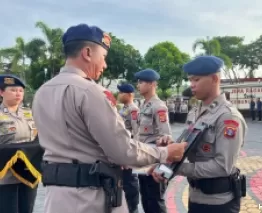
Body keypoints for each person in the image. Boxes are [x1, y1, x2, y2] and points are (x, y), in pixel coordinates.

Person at [32, 23, 187, 213]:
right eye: (103, 57)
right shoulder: (89, 91)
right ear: (87, 53)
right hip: (91, 199)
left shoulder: (42, 92)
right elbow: (121, 151)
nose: (104, 65)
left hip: (56, 198)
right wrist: (166, 153)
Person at [152, 56, 248, 213]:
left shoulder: (228, 117)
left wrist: (179, 169)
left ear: (214, 79)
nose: (192, 85)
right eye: (190, 80)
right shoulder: (195, 112)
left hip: (219, 203)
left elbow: (222, 167)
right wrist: (169, 152)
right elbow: (188, 147)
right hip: (196, 196)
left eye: (196, 80)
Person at [0, 74, 39, 213]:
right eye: (13, 90)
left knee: (27, 210)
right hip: (5, 177)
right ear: (1, 92)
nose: (18, 94)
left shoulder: (30, 113)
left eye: (21, 91)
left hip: (28, 174)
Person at [134, 68, 171, 213]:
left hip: (155, 164)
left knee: (156, 202)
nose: (138, 85)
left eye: (141, 82)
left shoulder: (159, 106)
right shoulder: (144, 106)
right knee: (146, 200)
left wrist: (162, 169)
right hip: (144, 162)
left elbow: (166, 138)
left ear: (151, 84)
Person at [116, 83, 140, 213]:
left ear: (129, 94)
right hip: (122, 151)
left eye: (121, 93)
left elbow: (137, 133)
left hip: (129, 153)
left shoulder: (133, 110)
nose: (119, 95)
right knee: (124, 183)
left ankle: (133, 209)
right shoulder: (123, 109)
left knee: (130, 183)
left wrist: (132, 155)